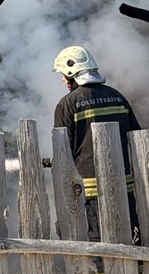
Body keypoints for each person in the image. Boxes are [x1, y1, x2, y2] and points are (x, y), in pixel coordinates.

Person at [52, 45, 142, 242]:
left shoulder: (67, 104)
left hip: (89, 193)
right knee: (129, 241)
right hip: (124, 188)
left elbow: (62, 151)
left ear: (71, 74)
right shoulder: (117, 97)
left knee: (96, 245)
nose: (62, 80)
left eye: (63, 75)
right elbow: (137, 138)